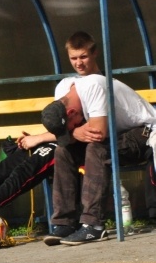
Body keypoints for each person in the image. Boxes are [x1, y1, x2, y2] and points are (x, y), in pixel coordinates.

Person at [0, 31, 103, 227]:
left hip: (72, 148)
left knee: (25, 170)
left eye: (83, 57)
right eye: (73, 58)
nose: (78, 63)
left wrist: (39, 138)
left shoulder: (100, 84)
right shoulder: (65, 84)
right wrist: (37, 138)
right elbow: (59, 125)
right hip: (57, 140)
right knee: (4, 168)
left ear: (94, 53)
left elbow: (89, 131)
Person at [40, 73, 156, 245]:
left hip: (143, 133)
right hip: (114, 137)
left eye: (71, 126)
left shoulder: (92, 86)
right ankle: (65, 222)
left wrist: (74, 132)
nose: (72, 129)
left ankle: (93, 225)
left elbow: (98, 133)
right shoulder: (64, 91)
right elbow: (81, 135)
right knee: (63, 151)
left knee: (96, 149)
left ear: (71, 112)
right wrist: (74, 132)